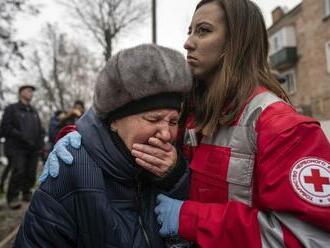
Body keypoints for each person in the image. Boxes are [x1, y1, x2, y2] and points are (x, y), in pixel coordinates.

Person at [41, 0, 330, 247]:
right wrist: (77, 138)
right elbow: (122, 113)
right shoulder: (188, 105)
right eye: (190, 30)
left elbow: (307, 238)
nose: (188, 42)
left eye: (203, 31)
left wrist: (188, 219)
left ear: (237, 41)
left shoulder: (286, 130)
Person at [14, 44, 193, 247]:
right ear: (115, 121)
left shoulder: (177, 167)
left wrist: (175, 181)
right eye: (153, 119)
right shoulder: (71, 169)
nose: (166, 134)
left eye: (173, 121)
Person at [0, 85, 45, 209]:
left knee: (31, 172)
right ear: (20, 93)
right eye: (28, 91)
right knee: (18, 171)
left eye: (32, 91)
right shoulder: (12, 109)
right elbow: (5, 128)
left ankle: (26, 193)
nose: (31, 93)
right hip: (16, 147)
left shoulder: (34, 111)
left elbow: (40, 128)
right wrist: (22, 136)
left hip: (33, 148)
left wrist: (40, 140)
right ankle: (12, 197)